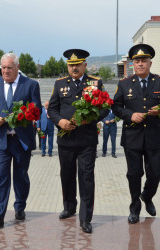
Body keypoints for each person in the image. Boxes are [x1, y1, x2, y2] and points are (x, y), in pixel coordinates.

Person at [48, 49, 108, 234]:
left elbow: (105, 109)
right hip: (66, 140)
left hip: (87, 141)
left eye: (77, 64)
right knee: (66, 175)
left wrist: (89, 119)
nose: (74, 67)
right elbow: (52, 108)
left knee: (86, 178)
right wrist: (59, 121)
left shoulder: (95, 83)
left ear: (85, 65)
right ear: (68, 66)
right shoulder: (59, 84)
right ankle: (69, 207)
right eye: (71, 64)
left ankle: (85, 218)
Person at [112, 44, 160, 224]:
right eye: (137, 61)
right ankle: (134, 207)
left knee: (156, 173)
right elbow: (115, 106)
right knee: (134, 174)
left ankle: (147, 196)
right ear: (133, 64)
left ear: (150, 63)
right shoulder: (124, 84)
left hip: (154, 137)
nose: (140, 64)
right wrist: (130, 115)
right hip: (133, 137)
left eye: (143, 61)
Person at [0, 53, 41, 227]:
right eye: (3, 68)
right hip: (0, 140)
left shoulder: (30, 85)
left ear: (17, 67)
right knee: (0, 177)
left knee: (21, 176)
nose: (6, 71)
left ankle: (20, 206)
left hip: (21, 140)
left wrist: (24, 115)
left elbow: (37, 110)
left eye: (9, 68)